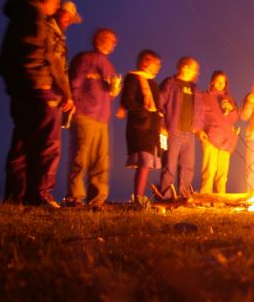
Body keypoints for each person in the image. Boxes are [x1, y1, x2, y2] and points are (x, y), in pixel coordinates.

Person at [0, 0, 70, 207]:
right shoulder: (35, 17)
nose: (57, 7)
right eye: (56, 1)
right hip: (39, 88)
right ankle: (40, 194)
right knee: (48, 143)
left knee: (22, 141)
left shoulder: (19, 16)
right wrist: (62, 92)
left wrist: (15, 86)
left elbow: (4, 58)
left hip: (21, 89)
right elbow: (49, 57)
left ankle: (15, 197)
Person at [65, 29, 120, 209]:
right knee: (80, 156)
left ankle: (97, 200)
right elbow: (74, 83)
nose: (114, 44)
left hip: (102, 118)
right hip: (84, 114)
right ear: (99, 40)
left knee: (101, 160)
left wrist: (114, 91)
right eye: (111, 40)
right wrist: (75, 103)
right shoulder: (85, 59)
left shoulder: (109, 65)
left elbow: (108, 93)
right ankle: (75, 198)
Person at [121, 50, 163, 199]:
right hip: (139, 128)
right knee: (143, 162)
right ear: (145, 62)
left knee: (147, 164)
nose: (158, 67)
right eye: (156, 63)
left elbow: (157, 108)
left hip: (152, 130)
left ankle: (140, 198)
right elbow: (127, 100)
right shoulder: (133, 78)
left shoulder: (152, 83)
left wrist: (160, 123)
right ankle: (138, 198)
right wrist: (143, 112)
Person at [158, 57, 201, 198]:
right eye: (193, 67)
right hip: (173, 132)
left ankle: (185, 196)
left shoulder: (195, 88)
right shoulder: (170, 83)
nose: (196, 71)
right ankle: (165, 196)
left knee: (188, 167)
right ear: (184, 67)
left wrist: (197, 128)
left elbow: (200, 111)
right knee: (169, 166)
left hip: (189, 133)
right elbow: (159, 104)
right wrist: (162, 125)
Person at [197, 71, 239, 194]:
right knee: (209, 171)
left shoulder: (229, 99)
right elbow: (197, 115)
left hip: (227, 140)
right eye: (218, 81)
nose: (221, 84)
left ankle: (220, 200)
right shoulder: (204, 96)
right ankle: (205, 198)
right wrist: (199, 131)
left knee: (222, 173)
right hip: (211, 137)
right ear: (212, 82)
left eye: (223, 81)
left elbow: (235, 118)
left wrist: (231, 110)